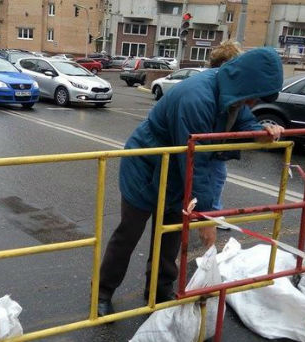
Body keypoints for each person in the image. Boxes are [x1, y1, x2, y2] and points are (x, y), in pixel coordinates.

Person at [97, 47, 285, 316]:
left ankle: (160, 291)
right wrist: (205, 216)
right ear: (248, 83)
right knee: (129, 234)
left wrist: (260, 132)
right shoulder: (197, 97)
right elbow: (197, 162)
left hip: (175, 172)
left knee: (171, 235)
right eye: (254, 97)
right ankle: (103, 292)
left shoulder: (232, 93)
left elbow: (243, 122)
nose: (253, 104)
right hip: (146, 169)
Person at [208, 40, 244, 230]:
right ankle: (210, 214)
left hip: (216, 144)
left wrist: (261, 130)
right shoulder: (208, 85)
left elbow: (244, 115)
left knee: (217, 176)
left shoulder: (232, 87)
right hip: (207, 142)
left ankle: (212, 212)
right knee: (201, 175)